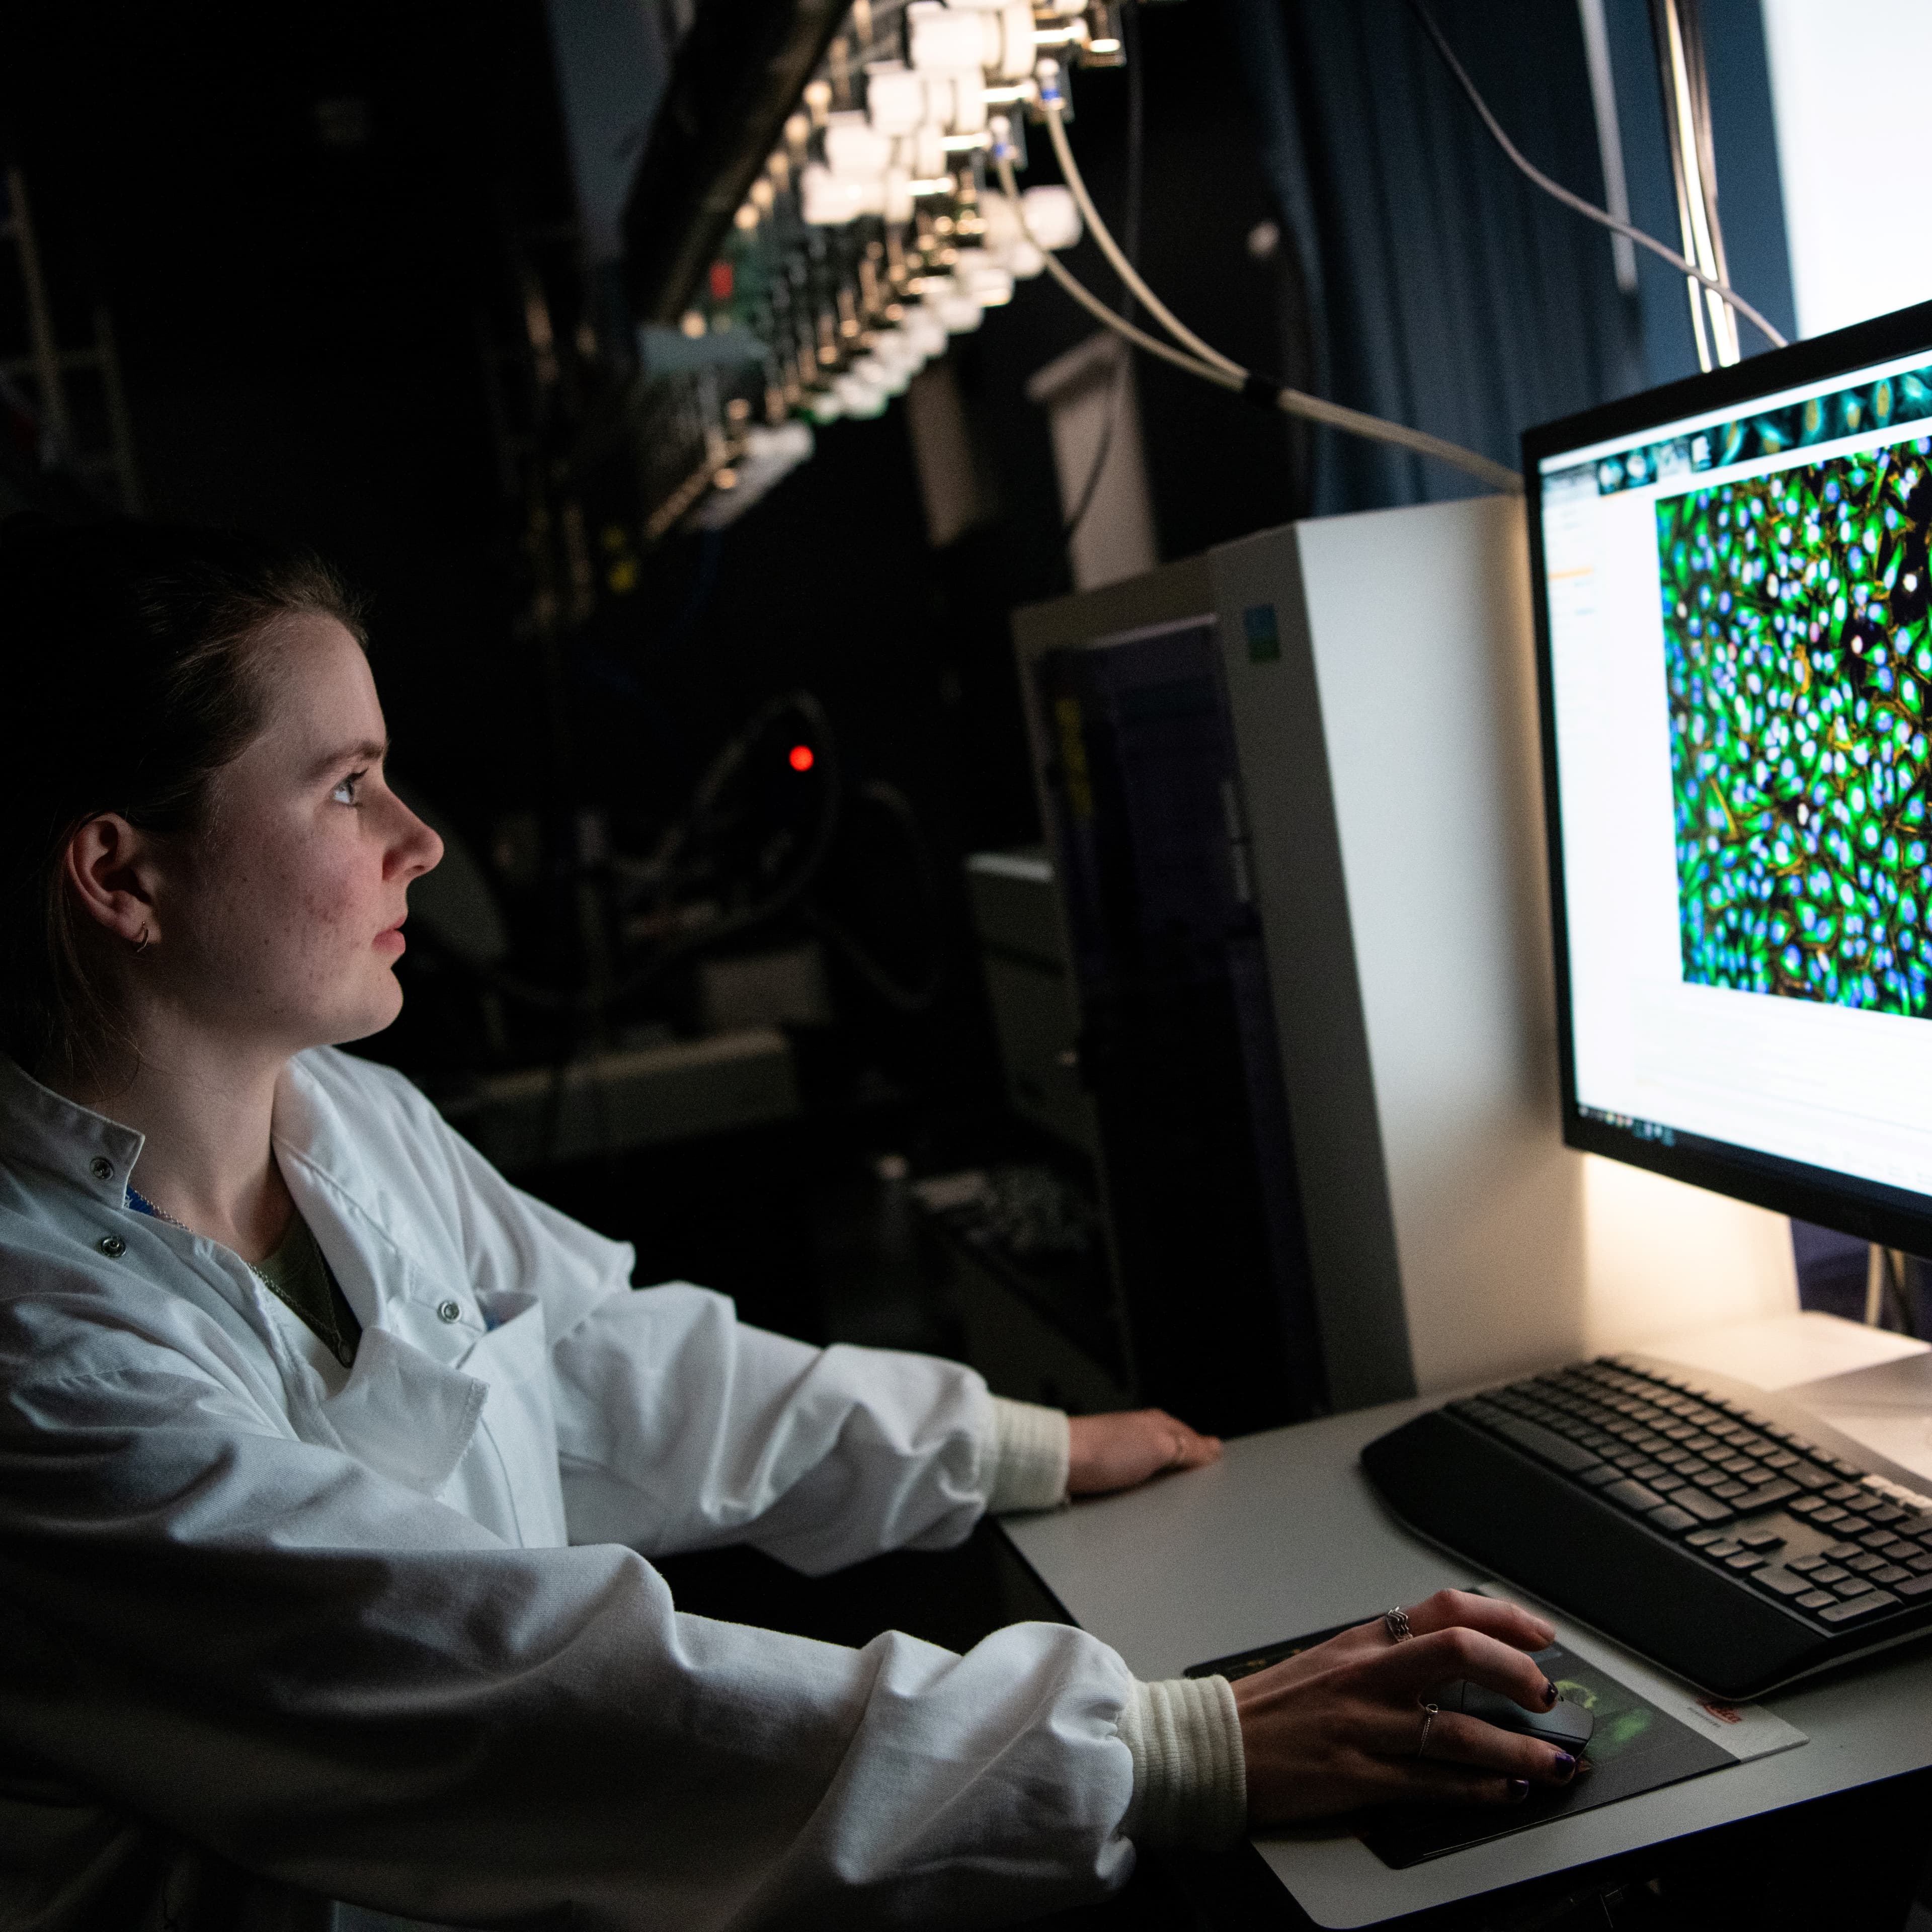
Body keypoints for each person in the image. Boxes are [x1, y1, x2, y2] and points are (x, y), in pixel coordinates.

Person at [0, 517, 1577, 1932]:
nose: (416, 838)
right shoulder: (42, 1360)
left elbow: (608, 1371)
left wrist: (1009, 1446)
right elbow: (506, 1682)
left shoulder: (346, 1121)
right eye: (346, 787)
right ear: (121, 876)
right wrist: (1165, 1748)